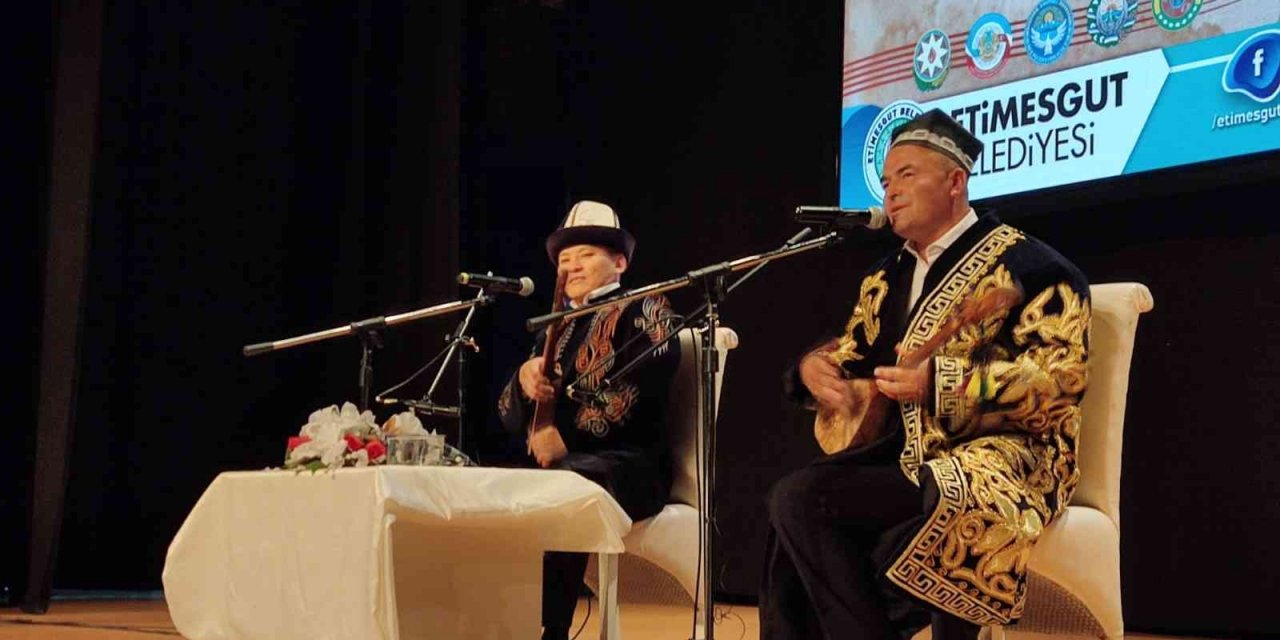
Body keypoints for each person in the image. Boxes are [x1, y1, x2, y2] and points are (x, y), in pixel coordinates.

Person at [761, 110, 1091, 640]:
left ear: (955, 182)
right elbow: (851, 352)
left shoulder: (1033, 266)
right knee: (796, 498)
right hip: (905, 462)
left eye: (907, 175)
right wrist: (811, 369)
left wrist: (940, 384)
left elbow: (1058, 383)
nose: (890, 192)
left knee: (915, 528)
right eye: (886, 180)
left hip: (1003, 457)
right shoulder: (886, 276)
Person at [497, 200, 680, 640]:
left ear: (619, 262)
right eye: (564, 259)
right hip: (569, 465)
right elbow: (508, 416)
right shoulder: (554, 328)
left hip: (629, 465)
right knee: (496, 485)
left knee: (564, 485)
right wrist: (524, 381)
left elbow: (649, 376)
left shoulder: (644, 307)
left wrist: (566, 436)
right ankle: (503, 622)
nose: (572, 266)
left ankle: (552, 630)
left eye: (586, 254)